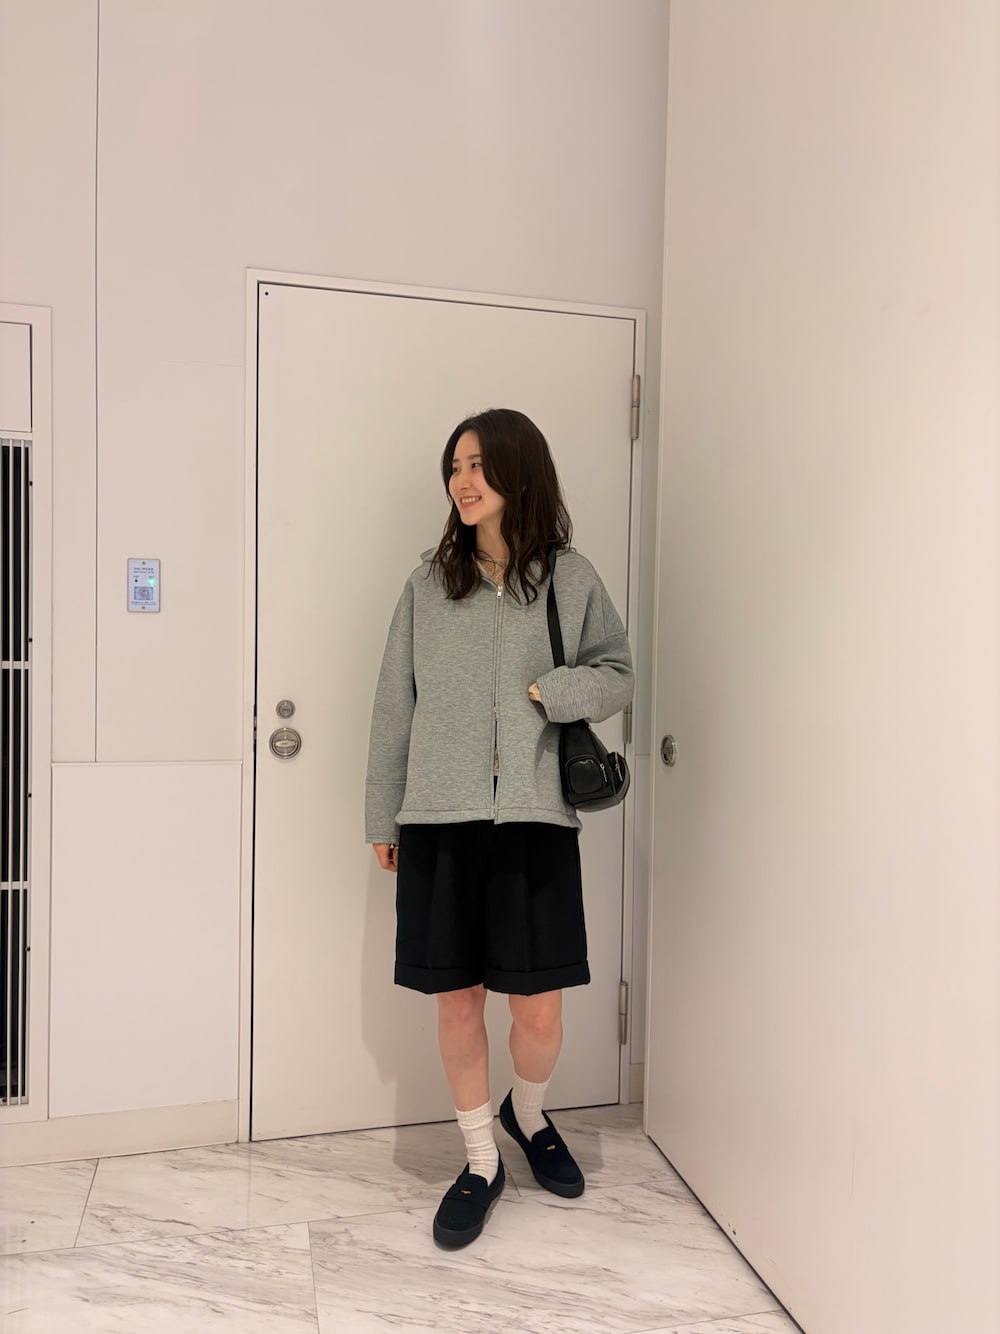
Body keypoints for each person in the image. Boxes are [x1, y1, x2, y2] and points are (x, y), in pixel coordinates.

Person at [365, 407, 634, 1248]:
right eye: (455, 467)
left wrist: (557, 692)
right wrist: (383, 813)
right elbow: (393, 707)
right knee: (458, 1003)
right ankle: (481, 1160)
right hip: (440, 822)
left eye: (478, 464)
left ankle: (530, 1112)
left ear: (521, 469)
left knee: (539, 1012)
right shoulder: (427, 585)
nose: (463, 481)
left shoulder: (570, 579)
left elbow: (617, 671)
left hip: (534, 820)